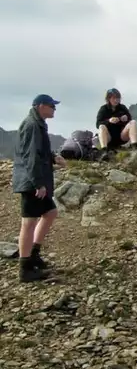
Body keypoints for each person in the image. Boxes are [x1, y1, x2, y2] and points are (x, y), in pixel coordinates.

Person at [12, 95, 67, 282]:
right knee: (28, 223)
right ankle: (25, 268)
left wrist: (53, 158)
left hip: (34, 181)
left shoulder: (38, 123)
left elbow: (40, 151)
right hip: (31, 183)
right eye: (52, 106)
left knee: (50, 212)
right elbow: (30, 156)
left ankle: (34, 253)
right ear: (41, 106)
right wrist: (38, 184)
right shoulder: (32, 125)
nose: (54, 110)